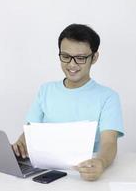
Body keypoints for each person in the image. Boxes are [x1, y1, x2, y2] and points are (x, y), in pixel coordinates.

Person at [12, 24, 124, 181]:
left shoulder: (108, 97)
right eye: (65, 56)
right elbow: (30, 131)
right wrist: (20, 144)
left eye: (80, 58)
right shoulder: (45, 90)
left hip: (83, 172)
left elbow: (109, 142)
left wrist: (101, 162)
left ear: (94, 57)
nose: (71, 64)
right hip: (45, 172)